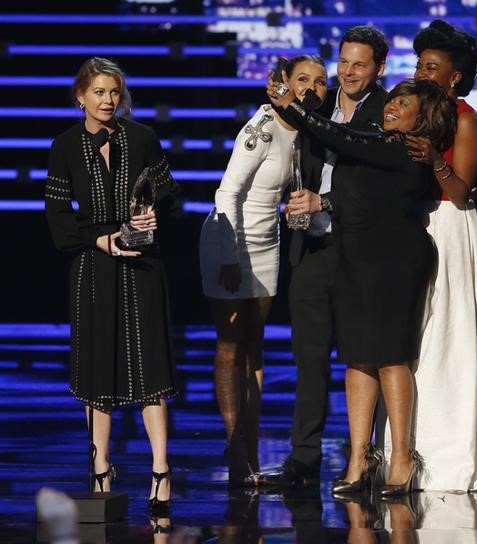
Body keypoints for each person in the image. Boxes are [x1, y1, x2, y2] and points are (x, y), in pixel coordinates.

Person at [271, 77, 457, 496]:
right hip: (354, 255)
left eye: (402, 104)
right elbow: (359, 194)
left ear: (422, 117)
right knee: (357, 357)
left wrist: (295, 108)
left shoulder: (406, 147)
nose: (391, 108)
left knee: (390, 356)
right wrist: (326, 203)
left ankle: (403, 458)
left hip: (394, 259)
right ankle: (359, 457)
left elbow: (340, 136)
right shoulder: (377, 140)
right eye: (392, 101)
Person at [44, 57, 180, 511]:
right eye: (99, 92)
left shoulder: (142, 138)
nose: (107, 101)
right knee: (97, 368)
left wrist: (155, 217)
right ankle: (100, 466)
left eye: (114, 93)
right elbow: (58, 218)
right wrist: (99, 240)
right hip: (92, 263)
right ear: (80, 96)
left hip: (142, 260)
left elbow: (171, 198)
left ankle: (161, 469)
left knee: (150, 370)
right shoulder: (64, 146)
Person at [256, 26, 390, 486]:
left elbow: (381, 187)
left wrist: (326, 203)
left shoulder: (387, 112)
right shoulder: (316, 104)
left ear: (379, 68)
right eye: (344, 62)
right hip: (311, 251)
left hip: (363, 255)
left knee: (366, 359)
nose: (349, 72)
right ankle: (304, 456)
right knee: (309, 359)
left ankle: (368, 457)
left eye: (360, 64)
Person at [391, 19, 477, 491]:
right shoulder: (414, 116)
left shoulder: (464, 119)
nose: (422, 73)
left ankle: (451, 455)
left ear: (454, 76)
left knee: (448, 336)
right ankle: (408, 446)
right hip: (416, 225)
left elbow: (462, 193)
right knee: (416, 339)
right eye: (420, 64)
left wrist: (434, 160)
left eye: (432, 66)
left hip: (450, 229)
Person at [198, 55, 328, 488]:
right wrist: (231, 255)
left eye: (319, 81)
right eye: (302, 79)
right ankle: (236, 450)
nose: (311, 88)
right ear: (282, 84)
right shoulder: (262, 128)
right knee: (231, 344)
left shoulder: (305, 129)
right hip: (230, 240)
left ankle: (250, 450)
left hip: (268, 242)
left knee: (255, 345)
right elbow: (226, 193)